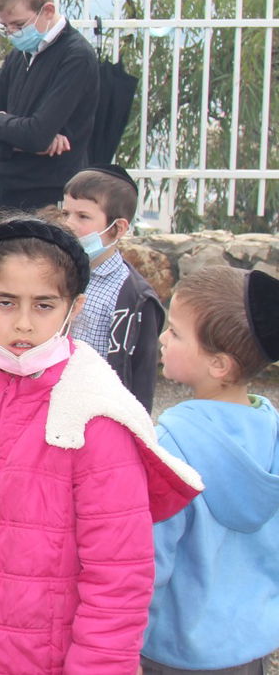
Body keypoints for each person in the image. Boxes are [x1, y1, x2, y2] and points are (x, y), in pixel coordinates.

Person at [0, 217, 202, 674]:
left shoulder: (94, 414)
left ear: (74, 309)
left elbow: (117, 579)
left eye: (44, 305)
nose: (23, 323)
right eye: (6, 302)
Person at [143, 267, 279, 675]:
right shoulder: (272, 432)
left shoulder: (172, 444)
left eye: (177, 333)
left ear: (219, 364)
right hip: (250, 645)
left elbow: (151, 560)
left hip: (175, 650)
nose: (163, 337)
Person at [0, 0, 100, 211]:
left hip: (49, 196)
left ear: (47, 11)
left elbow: (38, 134)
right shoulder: (19, 56)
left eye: (19, 25)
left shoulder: (76, 56)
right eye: (5, 27)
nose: (12, 33)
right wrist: (19, 140)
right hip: (8, 192)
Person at [60, 164, 163, 410]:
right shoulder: (56, 271)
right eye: (65, 214)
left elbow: (140, 376)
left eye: (83, 216)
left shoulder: (134, 296)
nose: (69, 224)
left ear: (118, 228)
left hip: (99, 409)